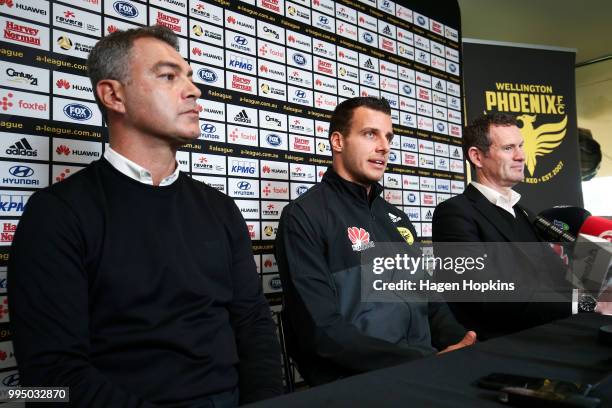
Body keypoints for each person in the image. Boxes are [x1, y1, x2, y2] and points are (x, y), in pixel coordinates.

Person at [8, 26, 282, 407]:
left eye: (189, 77)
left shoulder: (220, 209)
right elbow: (50, 377)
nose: (194, 90)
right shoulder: (56, 215)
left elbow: (253, 325)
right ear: (113, 95)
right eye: (169, 76)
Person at [275, 97, 476, 386]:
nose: (384, 146)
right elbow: (321, 331)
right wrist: (421, 363)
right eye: (370, 134)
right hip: (358, 383)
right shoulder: (303, 216)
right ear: (337, 141)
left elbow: (431, 302)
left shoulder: (396, 218)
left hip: (425, 371)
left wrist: (462, 343)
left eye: (388, 137)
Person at [432, 113, 579, 340]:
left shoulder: (524, 212)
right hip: (498, 349)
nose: (521, 156)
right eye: (509, 148)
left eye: (521, 146)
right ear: (477, 157)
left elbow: (557, 276)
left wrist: (598, 278)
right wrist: (582, 304)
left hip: (549, 336)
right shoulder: (454, 213)